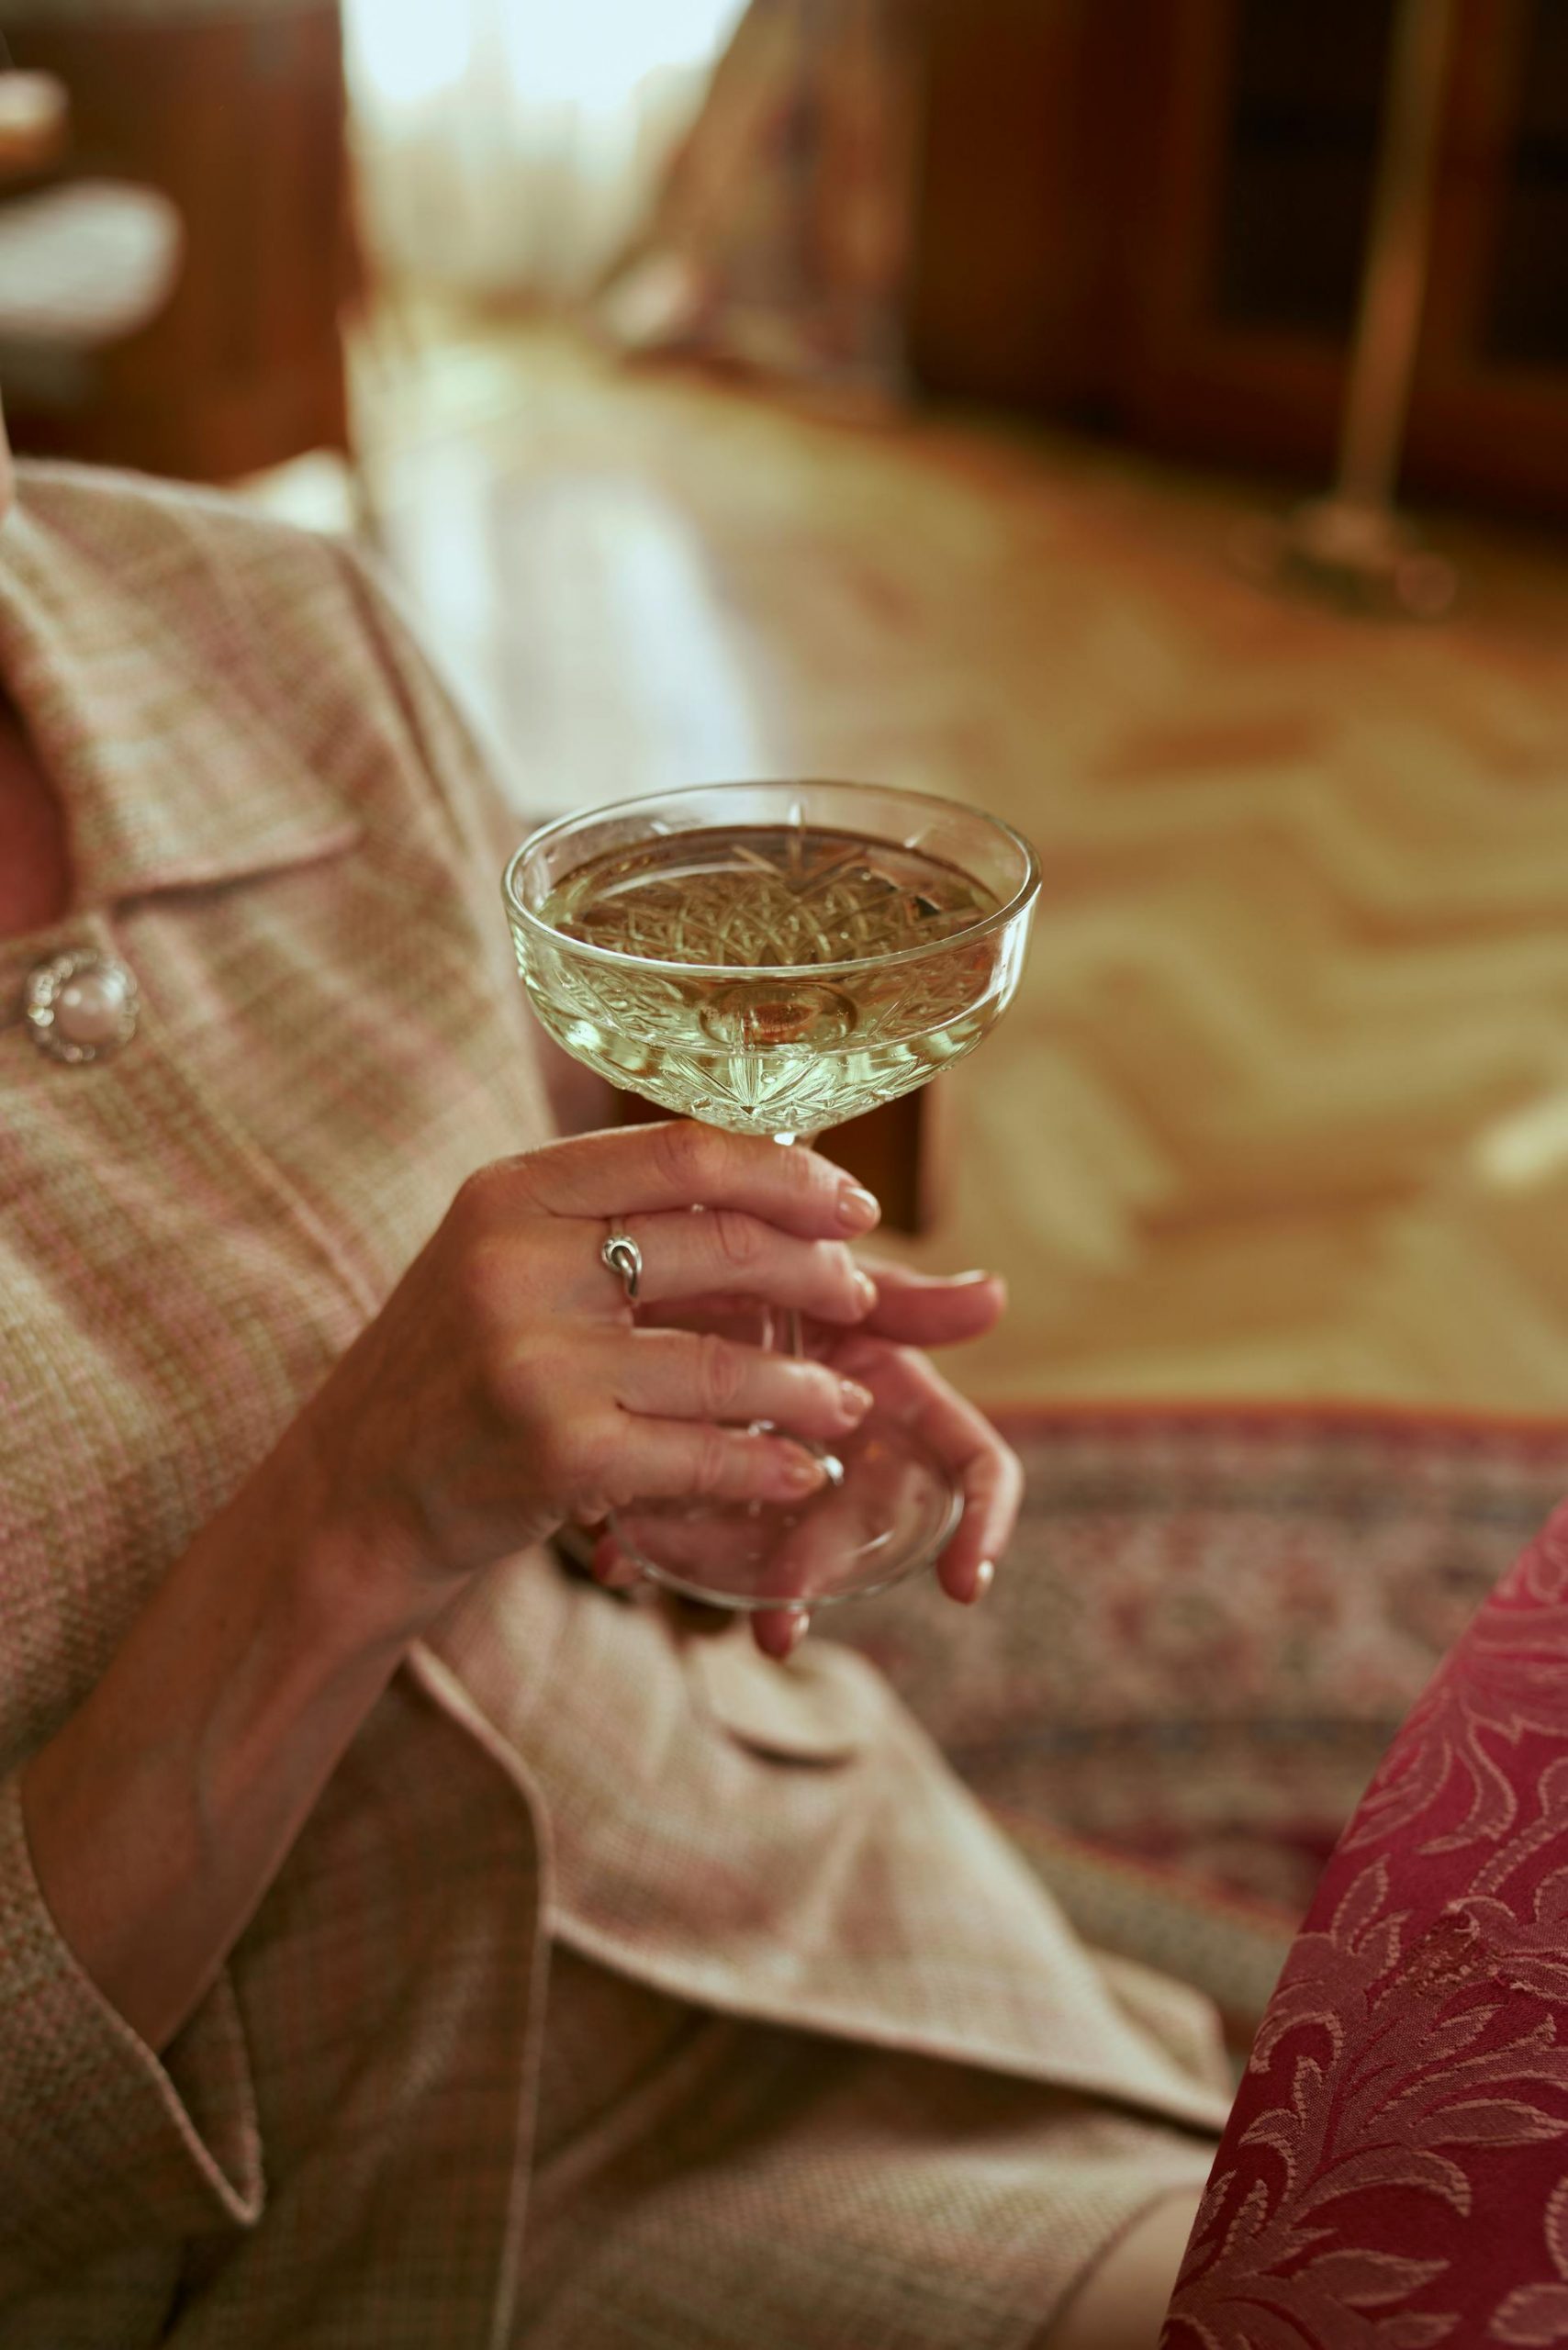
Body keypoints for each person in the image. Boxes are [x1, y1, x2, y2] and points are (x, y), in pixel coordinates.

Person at [0, 415, 1230, 2348]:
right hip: (324, 2219)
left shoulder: (257, 611)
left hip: (756, 1880)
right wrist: (352, 1507)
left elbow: (523, 1146)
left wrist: (674, 1364)